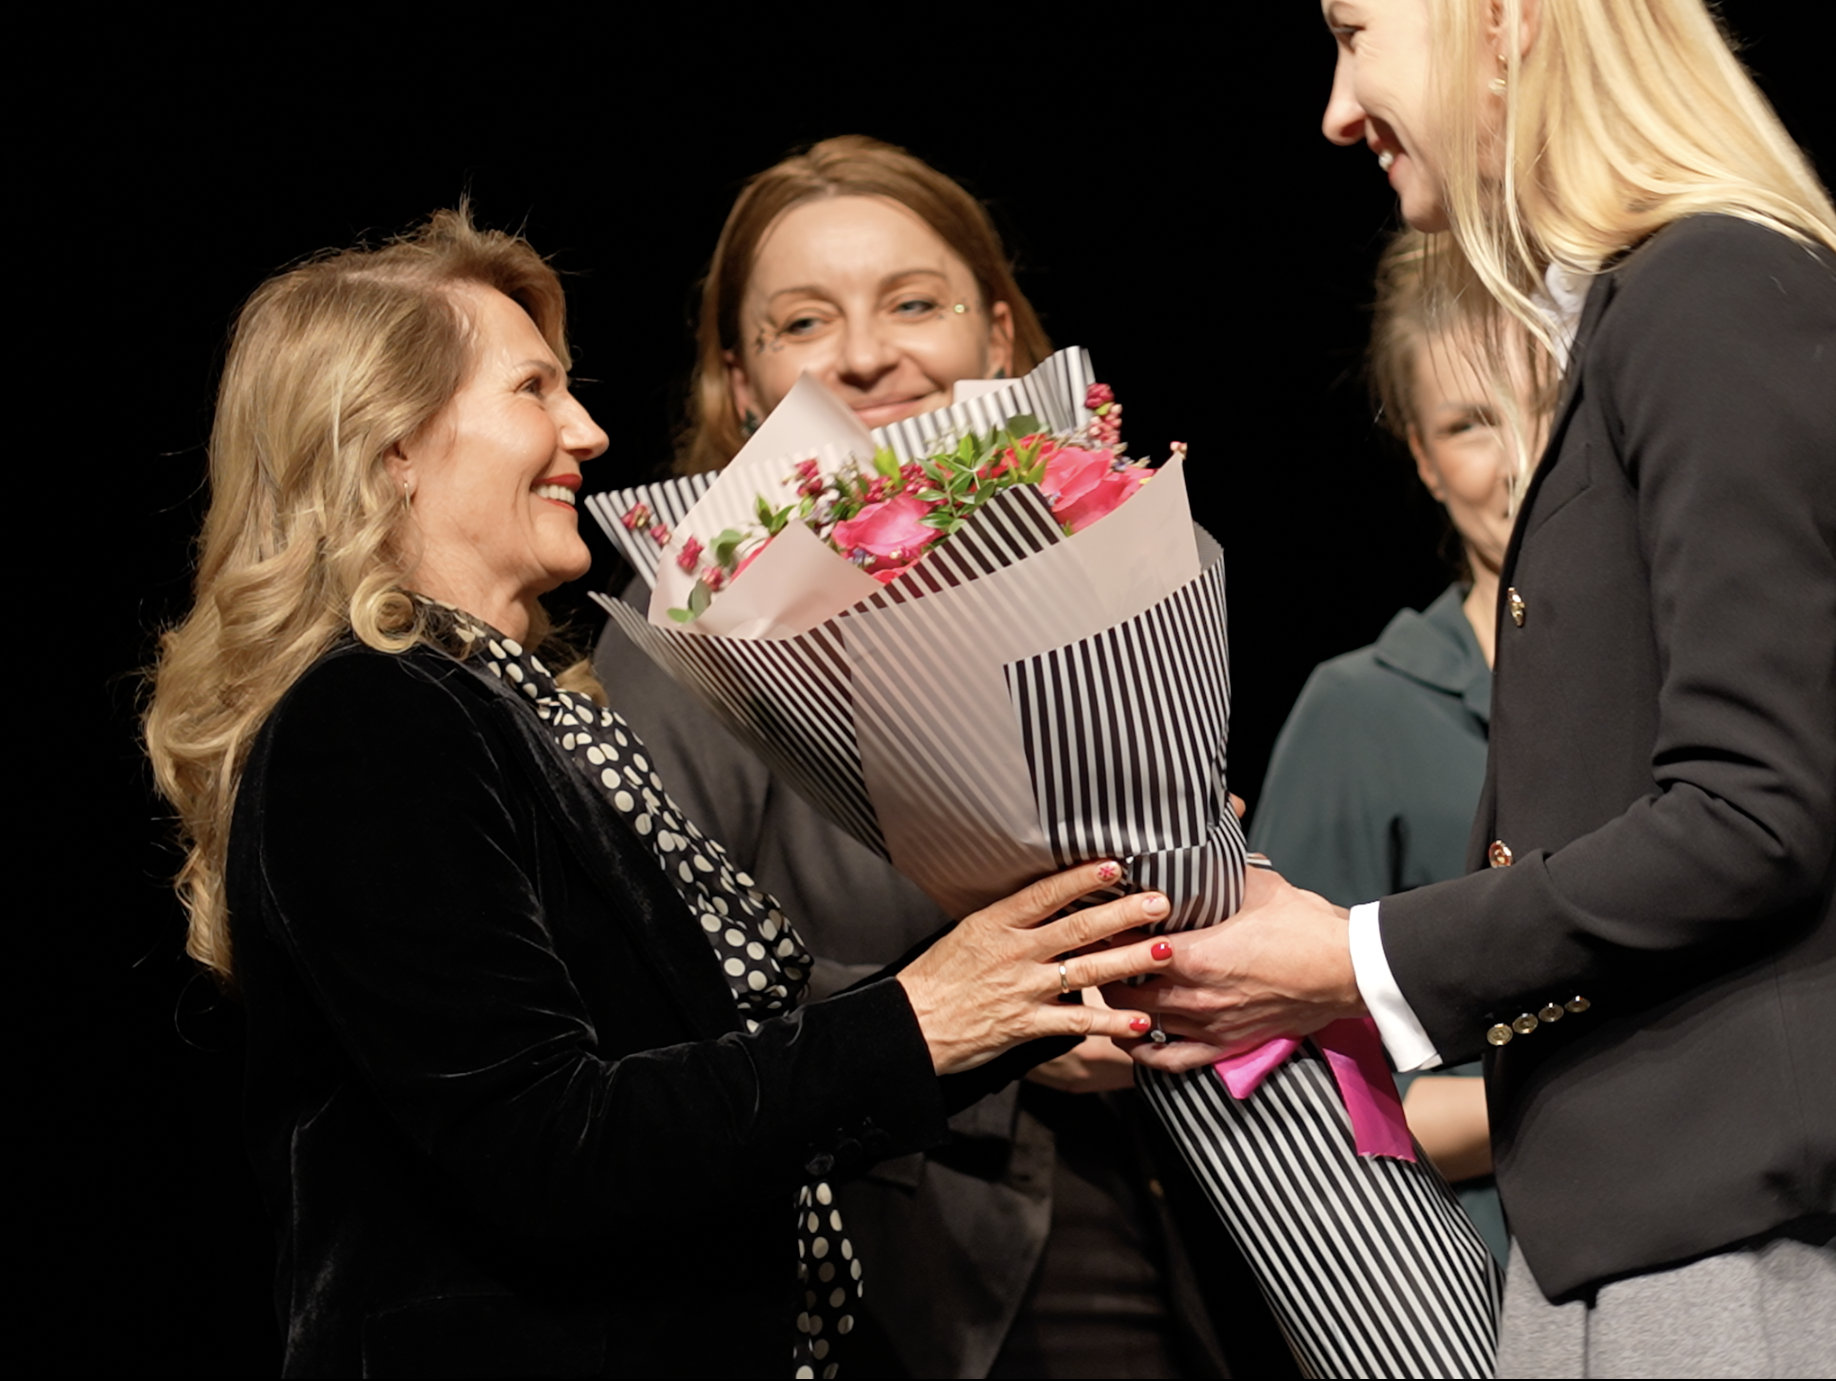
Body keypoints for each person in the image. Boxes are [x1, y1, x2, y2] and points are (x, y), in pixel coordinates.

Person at [1132, 0, 1836, 1377]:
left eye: (1356, 34)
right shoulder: (1661, 314)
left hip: (1755, 1252)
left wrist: (1353, 953)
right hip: (1660, 1230)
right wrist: (1346, 979)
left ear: (1500, 9)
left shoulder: (1715, 294)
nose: (1338, 107)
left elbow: (1749, 815)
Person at [143, 208, 1173, 1376]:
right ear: (392, 446)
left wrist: (1033, 980)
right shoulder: (370, 717)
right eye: (533, 390)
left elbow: (721, 1053)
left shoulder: (519, 710)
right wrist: (922, 1021)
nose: (586, 430)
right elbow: (543, 1144)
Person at [592, 135, 1288, 1378]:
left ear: (1001, 335)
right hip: (904, 1245)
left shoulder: (1096, 558)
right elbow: (670, 990)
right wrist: (1001, 1018)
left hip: (1190, 1181)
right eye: (803, 322)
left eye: (914, 302)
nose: (866, 354)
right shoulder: (686, 630)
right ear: (740, 382)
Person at [1253, 230, 1520, 1265]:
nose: (1521, 461)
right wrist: (1602, 1096)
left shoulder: (1700, 677)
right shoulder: (1361, 711)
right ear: (1421, 456)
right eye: (1470, 423)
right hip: (1486, 1288)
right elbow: (1294, 1098)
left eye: (1551, 405)